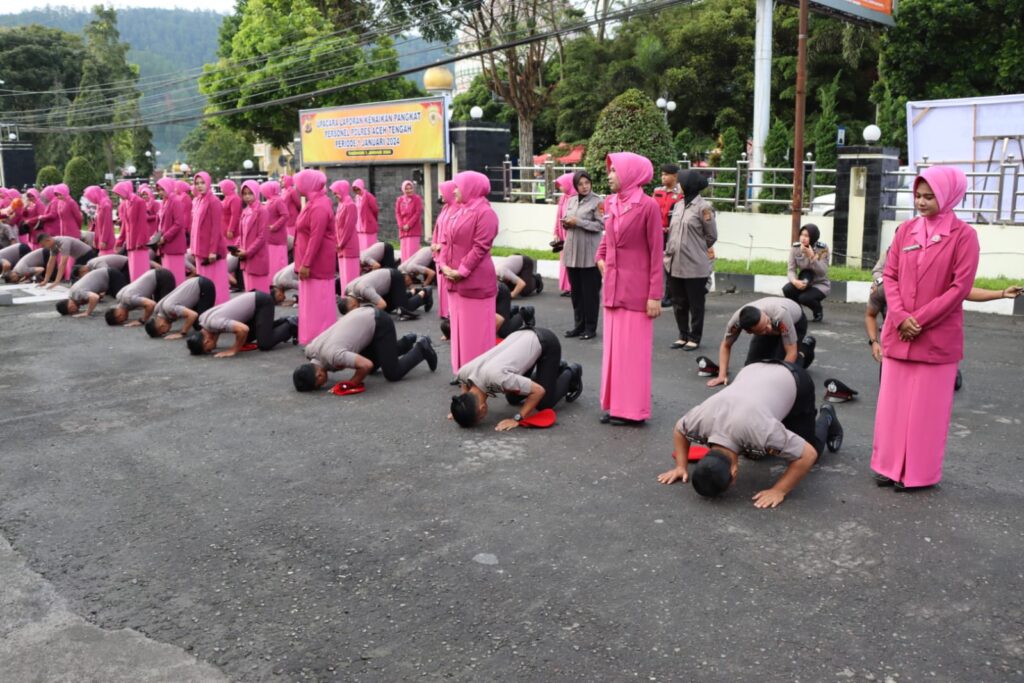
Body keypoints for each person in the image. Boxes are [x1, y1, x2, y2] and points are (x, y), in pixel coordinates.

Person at [871, 166, 980, 491]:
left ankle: (917, 473)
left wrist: (918, 320)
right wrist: (900, 316)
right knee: (892, 407)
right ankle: (887, 466)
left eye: (929, 197)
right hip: (899, 331)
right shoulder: (906, 230)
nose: (921, 202)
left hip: (935, 337)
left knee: (926, 413)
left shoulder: (964, 236)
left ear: (948, 196)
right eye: (918, 196)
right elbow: (889, 275)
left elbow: (960, 287)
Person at [657, 360, 843, 508]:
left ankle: (827, 416)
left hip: (794, 379)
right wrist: (680, 466)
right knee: (760, 449)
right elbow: (679, 429)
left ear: (734, 472)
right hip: (752, 370)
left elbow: (807, 455)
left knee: (810, 453)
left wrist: (779, 490)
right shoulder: (700, 423)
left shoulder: (761, 433)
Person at [595, 152, 663, 426]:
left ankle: (633, 411)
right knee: (613, 352)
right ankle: (615, 405)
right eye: (610, 170)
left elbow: (656, 253)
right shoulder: (611, 202)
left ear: (631, 174)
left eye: (614, 170)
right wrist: (600, 257)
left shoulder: (648, 206)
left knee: (633, 354)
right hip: (612, 288)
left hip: (637, 291)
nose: (609, 175)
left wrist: (654, 295)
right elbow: (607, 238)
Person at [449, 327, 584, 431]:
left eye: (480, 418)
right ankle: (556, 368)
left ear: (482, 408)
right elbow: (464, 388)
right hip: (521, 336)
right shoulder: (463, 373)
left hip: (546, 343)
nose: (482, 419)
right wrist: (461, 408)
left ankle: (572, 371)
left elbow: (539, 391)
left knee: (544, 403)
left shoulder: (499, 379)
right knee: (513, 398)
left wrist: (517, 419)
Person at [292, 305, 437, 392]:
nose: (323, 385)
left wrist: (351, 384)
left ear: (319, 375)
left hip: (379, 322)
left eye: (319, 386)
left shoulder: (334, 356)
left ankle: (422, 348)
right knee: (371, 369)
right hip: (363, 315)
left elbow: (366, 365)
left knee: (392, 373)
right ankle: (405, 343)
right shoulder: (310, 350)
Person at [439, 171, 499, 372]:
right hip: (454, 280)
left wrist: (461, 271)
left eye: (458, 186)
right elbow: (445, 241)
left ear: (470, 188)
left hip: (474, 281)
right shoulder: (459, 211)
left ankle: (477, 375)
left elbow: (480, 247)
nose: (454, 191)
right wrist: (443, 265)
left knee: (475, 332)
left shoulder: (485, 213)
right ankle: (462, 372)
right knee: (459, 330)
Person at [707, 296, 816, 387]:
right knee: (750, 368)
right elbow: (726, 345)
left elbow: (791, 352)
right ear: (749, 332)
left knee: (783, 368)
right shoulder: (735, 323)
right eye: (763, 328)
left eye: (767, 322)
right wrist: (722, 375)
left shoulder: (780, 315)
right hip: (772, 323)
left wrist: (777, 382)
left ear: (762, 313)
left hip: (795, 322)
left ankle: (805, 348)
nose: (769, 328)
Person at [665, 169, 717, 351]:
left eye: (680, 182)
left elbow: (711, 235)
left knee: (696, 304)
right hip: (674, 262)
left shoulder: (704, 208)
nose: (677, 185)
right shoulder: (678, 205)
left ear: (689, 185)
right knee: (678, 302)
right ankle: (683, 335)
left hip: (695, 264)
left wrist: (696, 248)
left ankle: (694, 337)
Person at [292, 169, 337, 344]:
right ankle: (311, 338)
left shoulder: (319, 206)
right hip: (309, 261)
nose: (297, 187)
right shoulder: (313, 203)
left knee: (319, 303)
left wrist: (306, 264)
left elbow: (315, 238)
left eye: (299, 183)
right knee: (310, 303)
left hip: (316, 263)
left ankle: (320, 340)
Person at [187, 290, 298, 357]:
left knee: (265, 344)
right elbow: (215, 331)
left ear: (206, 341)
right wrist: (214, 342)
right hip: (254, 302)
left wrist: (233, 350)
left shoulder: (214, 323)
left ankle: (291, 324)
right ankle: (283, 321)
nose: (212, 350)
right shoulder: (203, 320)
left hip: (262, 303)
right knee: (245, 339)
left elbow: (243, 329)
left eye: (208, 349)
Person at [562, 169, 604, 340]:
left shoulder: (598, 201)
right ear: (575, 186)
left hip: (589, 255)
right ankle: (578, 326)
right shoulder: (571, 200)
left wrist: (578, 222)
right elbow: (567, 219)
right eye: (580, 184)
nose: (584, 186)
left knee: (590, 294)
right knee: (577, 294)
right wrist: (566, 223)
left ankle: (590, 328)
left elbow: (601, 225)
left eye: (587, 183)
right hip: (572, 254)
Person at [190, 171, 229, 304]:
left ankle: (219, 306)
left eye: (202, 183)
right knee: (204, 282)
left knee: (215, 281)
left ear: (208, 183)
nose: (199, 186)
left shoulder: (214, 201)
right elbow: (195, 226)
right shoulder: (197, 200)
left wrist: (213, 250)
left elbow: (216, 228)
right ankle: (208, 307)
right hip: (200, 248)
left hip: (211, 251)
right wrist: (193, 247)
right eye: (197, 183)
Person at [782, 223, 830, 322]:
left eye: (807, 236)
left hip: (819, 284)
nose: (803, 238)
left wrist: (812, 256)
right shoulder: (795, 248)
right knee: (787, 289)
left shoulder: (822, 249)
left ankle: (818, 310)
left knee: (804, 298)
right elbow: (791, 270)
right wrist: (795, 281)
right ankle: (798, 313)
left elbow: (822, 272)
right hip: (803, 281)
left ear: (813, 237)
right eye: (802, 235)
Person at [337, 268, 430, 319]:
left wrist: (366, 316)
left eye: (352, 312)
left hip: (394, 278)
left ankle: (425, 291)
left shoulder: (364, 290)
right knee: (388, 309)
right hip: (385, 282)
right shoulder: (347, 290)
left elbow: (382, 304)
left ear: (353, 305)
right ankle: (414, 292)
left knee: (406, 308)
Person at [144, 275, 217, 339]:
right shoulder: (158, 309)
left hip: (205, 287)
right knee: (196, 324)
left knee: (200, 325)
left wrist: (182, 333)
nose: (166, 332)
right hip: (196, 283)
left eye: (163, 332)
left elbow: (193, 315)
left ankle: (218, 321)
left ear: (161, 326)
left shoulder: (169, 308)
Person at [104, 267, 177, 326]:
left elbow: (151, 304)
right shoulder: (119, 296)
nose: (125, 320)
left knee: (164, 311)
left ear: (119, 315)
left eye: (121, 321)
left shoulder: (129, 299)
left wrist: (142, 320)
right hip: (156, 275)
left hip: (164, 277)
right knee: (159, 310)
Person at [652, 163, 681, 307]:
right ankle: (658, 294)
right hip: (657, 233)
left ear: (674, 176)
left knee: (670, 265)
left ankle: (670, 295)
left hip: (672, 233)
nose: (663, 177)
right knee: (657, 264)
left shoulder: (681, 193)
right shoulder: (657, 191)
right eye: (662, 174)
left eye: (666, 174)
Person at [236, 180, 270, 293]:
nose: (247, 196)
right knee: (249, 291)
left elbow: (262, 237)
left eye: (250, 193)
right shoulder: (245, 211)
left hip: (256, 256)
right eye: (244, 194)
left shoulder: (262, 211)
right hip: (246, 257)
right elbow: (242, 233)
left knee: (258, 291)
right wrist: (237, 247)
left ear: (256, 192)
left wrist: (247, 252)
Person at [112, 181, 150, 282]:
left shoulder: (139, 201)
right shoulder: (126, 203)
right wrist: (120, 241)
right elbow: (125, 224)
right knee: (134, 270)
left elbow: (142, 223)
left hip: (138, 243)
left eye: (119, 193)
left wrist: (140, 241)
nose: (119, 196)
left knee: (140, 269)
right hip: (130, 241)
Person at [431, 180, 457, 326]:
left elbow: (452, 232)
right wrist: (434, 243)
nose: (441, 195)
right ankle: (444, 310)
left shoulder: (456, 209)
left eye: (443, 192)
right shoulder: (445, 208)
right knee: (441, 282)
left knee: (447, 281)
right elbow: (437, 228)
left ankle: (450, 311)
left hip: (446, 250)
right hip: (438, 250)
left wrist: (441, 245)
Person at [55, 266, 128, 317]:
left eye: (73, 311)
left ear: (70, 306)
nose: (77, 310)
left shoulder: (78, 293)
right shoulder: (72, 294)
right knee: (120, 298)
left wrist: (87, 312)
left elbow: (94, 297)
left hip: (111, 276)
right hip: (108, 276)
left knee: (124, 298)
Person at [154, 178, 188, 284]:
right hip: (165, 244)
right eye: (159, 190)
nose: (160, 192)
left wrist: (165, 237)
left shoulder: (175, 201)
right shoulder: (165, 202)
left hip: (174, 244)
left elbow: (179, 223)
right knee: (169, 276)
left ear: (168, 187)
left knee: (176, 275)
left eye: (162, 189)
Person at [330, 179, 360, 292]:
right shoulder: (341, 204)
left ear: (342, 190)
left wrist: (340, 243)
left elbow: (348, 227)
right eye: (334, 194)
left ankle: (351, 298)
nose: (335, 196)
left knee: (350, 275)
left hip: (349, 244)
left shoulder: (350, 205)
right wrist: (336, 242)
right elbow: (336, 225)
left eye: (336, 193)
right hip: (340, 245)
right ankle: (344, 297)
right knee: (343, 275)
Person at [260, 181, 290, 276]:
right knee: (272, 261)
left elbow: (285, 215)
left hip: (277, 237)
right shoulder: (270, 200)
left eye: (264, 190)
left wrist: (274, 226)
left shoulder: (278, 200)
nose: (263, 192)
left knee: (278, 260)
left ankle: (277, 279)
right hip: (270, 236)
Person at [552, 172, 575, 297]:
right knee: (564, 260)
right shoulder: (563, 198)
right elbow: (558, 216)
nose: (560, 187)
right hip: (563, 234)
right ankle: (567, 287)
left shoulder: (576, 198)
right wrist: (556, 232)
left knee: (572, 260)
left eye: (562, 184)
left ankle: (574, 287)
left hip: (573, 234)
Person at [395, 180, 424, 261]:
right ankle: (404, 267)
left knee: (412, 251)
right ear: (403, 190)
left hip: (414, 228)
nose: (409, 190)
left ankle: (412, 268)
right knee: (404, 251)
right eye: (406, 189)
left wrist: (409, 225)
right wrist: (401, 225)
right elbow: (397, 213)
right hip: (403, 230)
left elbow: (418, 213)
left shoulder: (417, 199)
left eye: (411, 188)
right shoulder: (400, 200)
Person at [82, 186, 115, 255]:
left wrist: (104, 240)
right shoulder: (99, 204)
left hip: (106, 240)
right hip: (101, 238)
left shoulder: (105, 205)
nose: (90, 200)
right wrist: (96, 239)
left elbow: (107, 224)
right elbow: (97, 225)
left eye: (90, 198)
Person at [352, 179, 379, 251]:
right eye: (355, 190)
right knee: (361, 246)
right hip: (359, 225)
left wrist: (371, 219)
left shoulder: (369, 196)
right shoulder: (356, 197)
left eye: (358, 189)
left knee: (369, 247)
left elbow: (375, 209)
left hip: (368, 224)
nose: (357, 191)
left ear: (361, 187)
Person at [219, 179, 242, 246]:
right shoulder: (227, 197)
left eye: (222, 188)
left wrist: (231, 229)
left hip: (231, 231)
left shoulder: (235, 199)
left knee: (232, 248)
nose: (221, 190)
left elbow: (235, 215)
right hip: (225, 228)